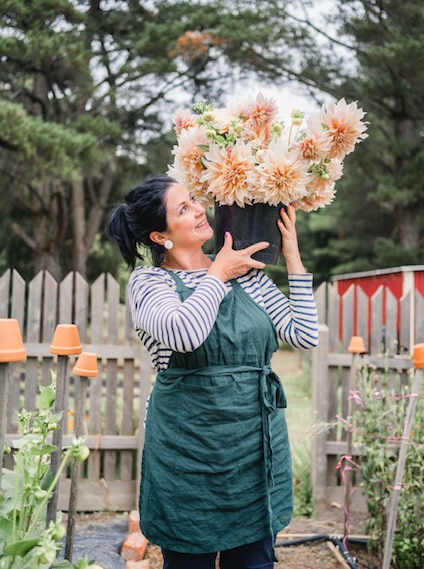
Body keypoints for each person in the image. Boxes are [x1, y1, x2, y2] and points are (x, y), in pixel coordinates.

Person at [106, 173, 319, 569]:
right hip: (188, 451)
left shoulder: (248, 274)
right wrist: (217, 274)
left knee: (254, 561)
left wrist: (292, 258)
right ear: (159, 236)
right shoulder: (150, 282)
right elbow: (185, 333)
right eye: (183, 208)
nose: (199, 209)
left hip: (254, 446)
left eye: (194, 200)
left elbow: (304, 336)